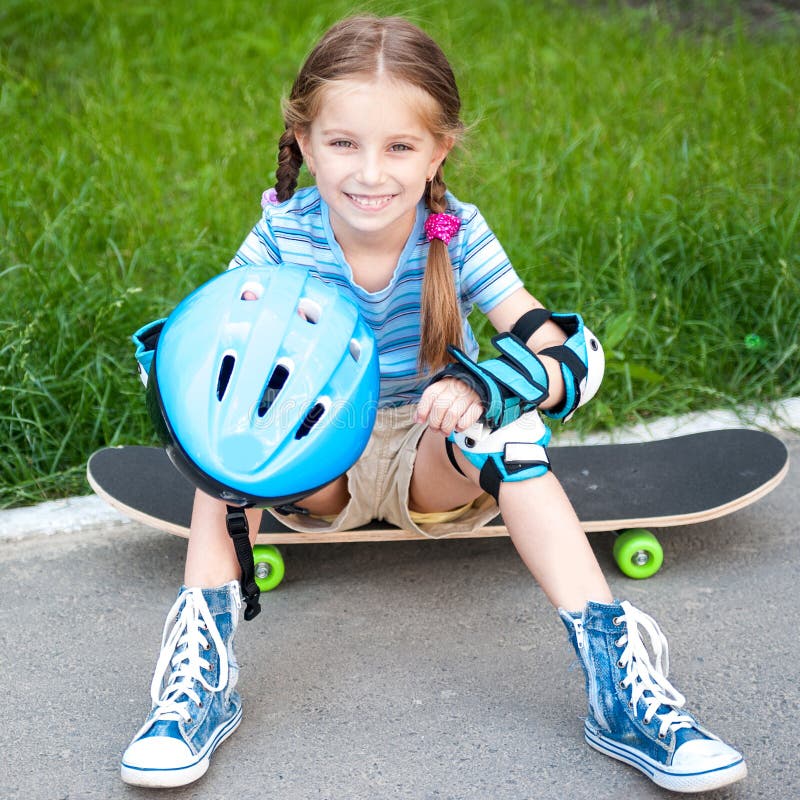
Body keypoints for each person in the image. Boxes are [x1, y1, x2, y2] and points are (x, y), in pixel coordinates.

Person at [121, 15, 747, 793]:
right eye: (344, 144)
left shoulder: (459, 234)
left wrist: (487, 384)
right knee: (228, 433)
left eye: (399, 147)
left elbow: (576, 359)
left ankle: (623, 689)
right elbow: (210, 348)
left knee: (510, 428)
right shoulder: (284, 236)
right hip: (324, 464)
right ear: (305, 142)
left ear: (438, 150)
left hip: (434, 458)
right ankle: (196, 691)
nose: (370, 174)